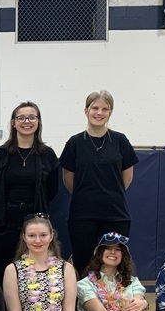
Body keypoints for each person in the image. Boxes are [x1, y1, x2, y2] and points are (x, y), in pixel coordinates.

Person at [59, 90, 139, 274]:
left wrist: (110, 194)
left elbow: (127, 177)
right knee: (84, 263)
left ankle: (112, 302)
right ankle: (84, 302)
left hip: (115, 213)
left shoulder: (120, 140)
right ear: (86, 111)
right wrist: (86, 195)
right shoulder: (75, 143)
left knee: (114, 263)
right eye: (95, 108)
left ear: (110, 112)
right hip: (82, 215)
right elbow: (67, 179)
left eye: (105, 109)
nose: (99, 113)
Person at [0, 101, 60, 286]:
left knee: (35, 266)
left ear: (38, 122)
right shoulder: (1, 154)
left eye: (31, 117)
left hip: (36, 218)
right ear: (13, 122)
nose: (26, 121)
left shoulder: (47, 154)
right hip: (5, 219)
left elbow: (52, 190)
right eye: (21, 118)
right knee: (3, 266)